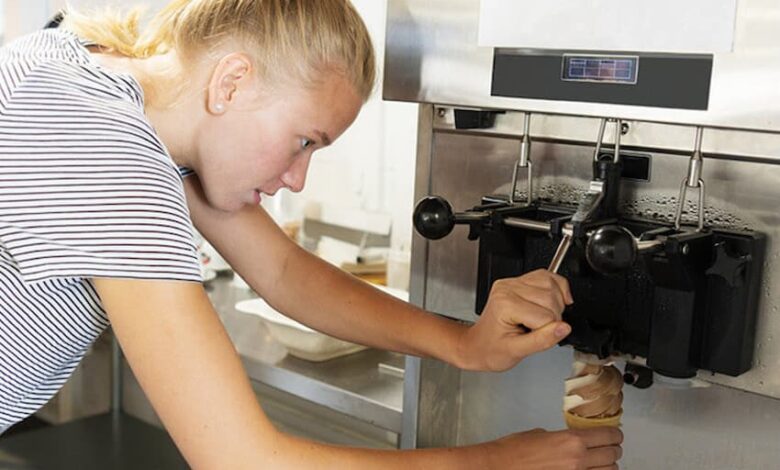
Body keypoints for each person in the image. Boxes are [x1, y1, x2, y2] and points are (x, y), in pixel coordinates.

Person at [0, 0, 623, 468]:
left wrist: (463, 344)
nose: (297, 179)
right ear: (232, 82)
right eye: (304, 141)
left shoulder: (91, 80)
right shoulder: (105, 149)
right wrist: (493, 461)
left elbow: (282, 272)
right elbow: (241, 458)